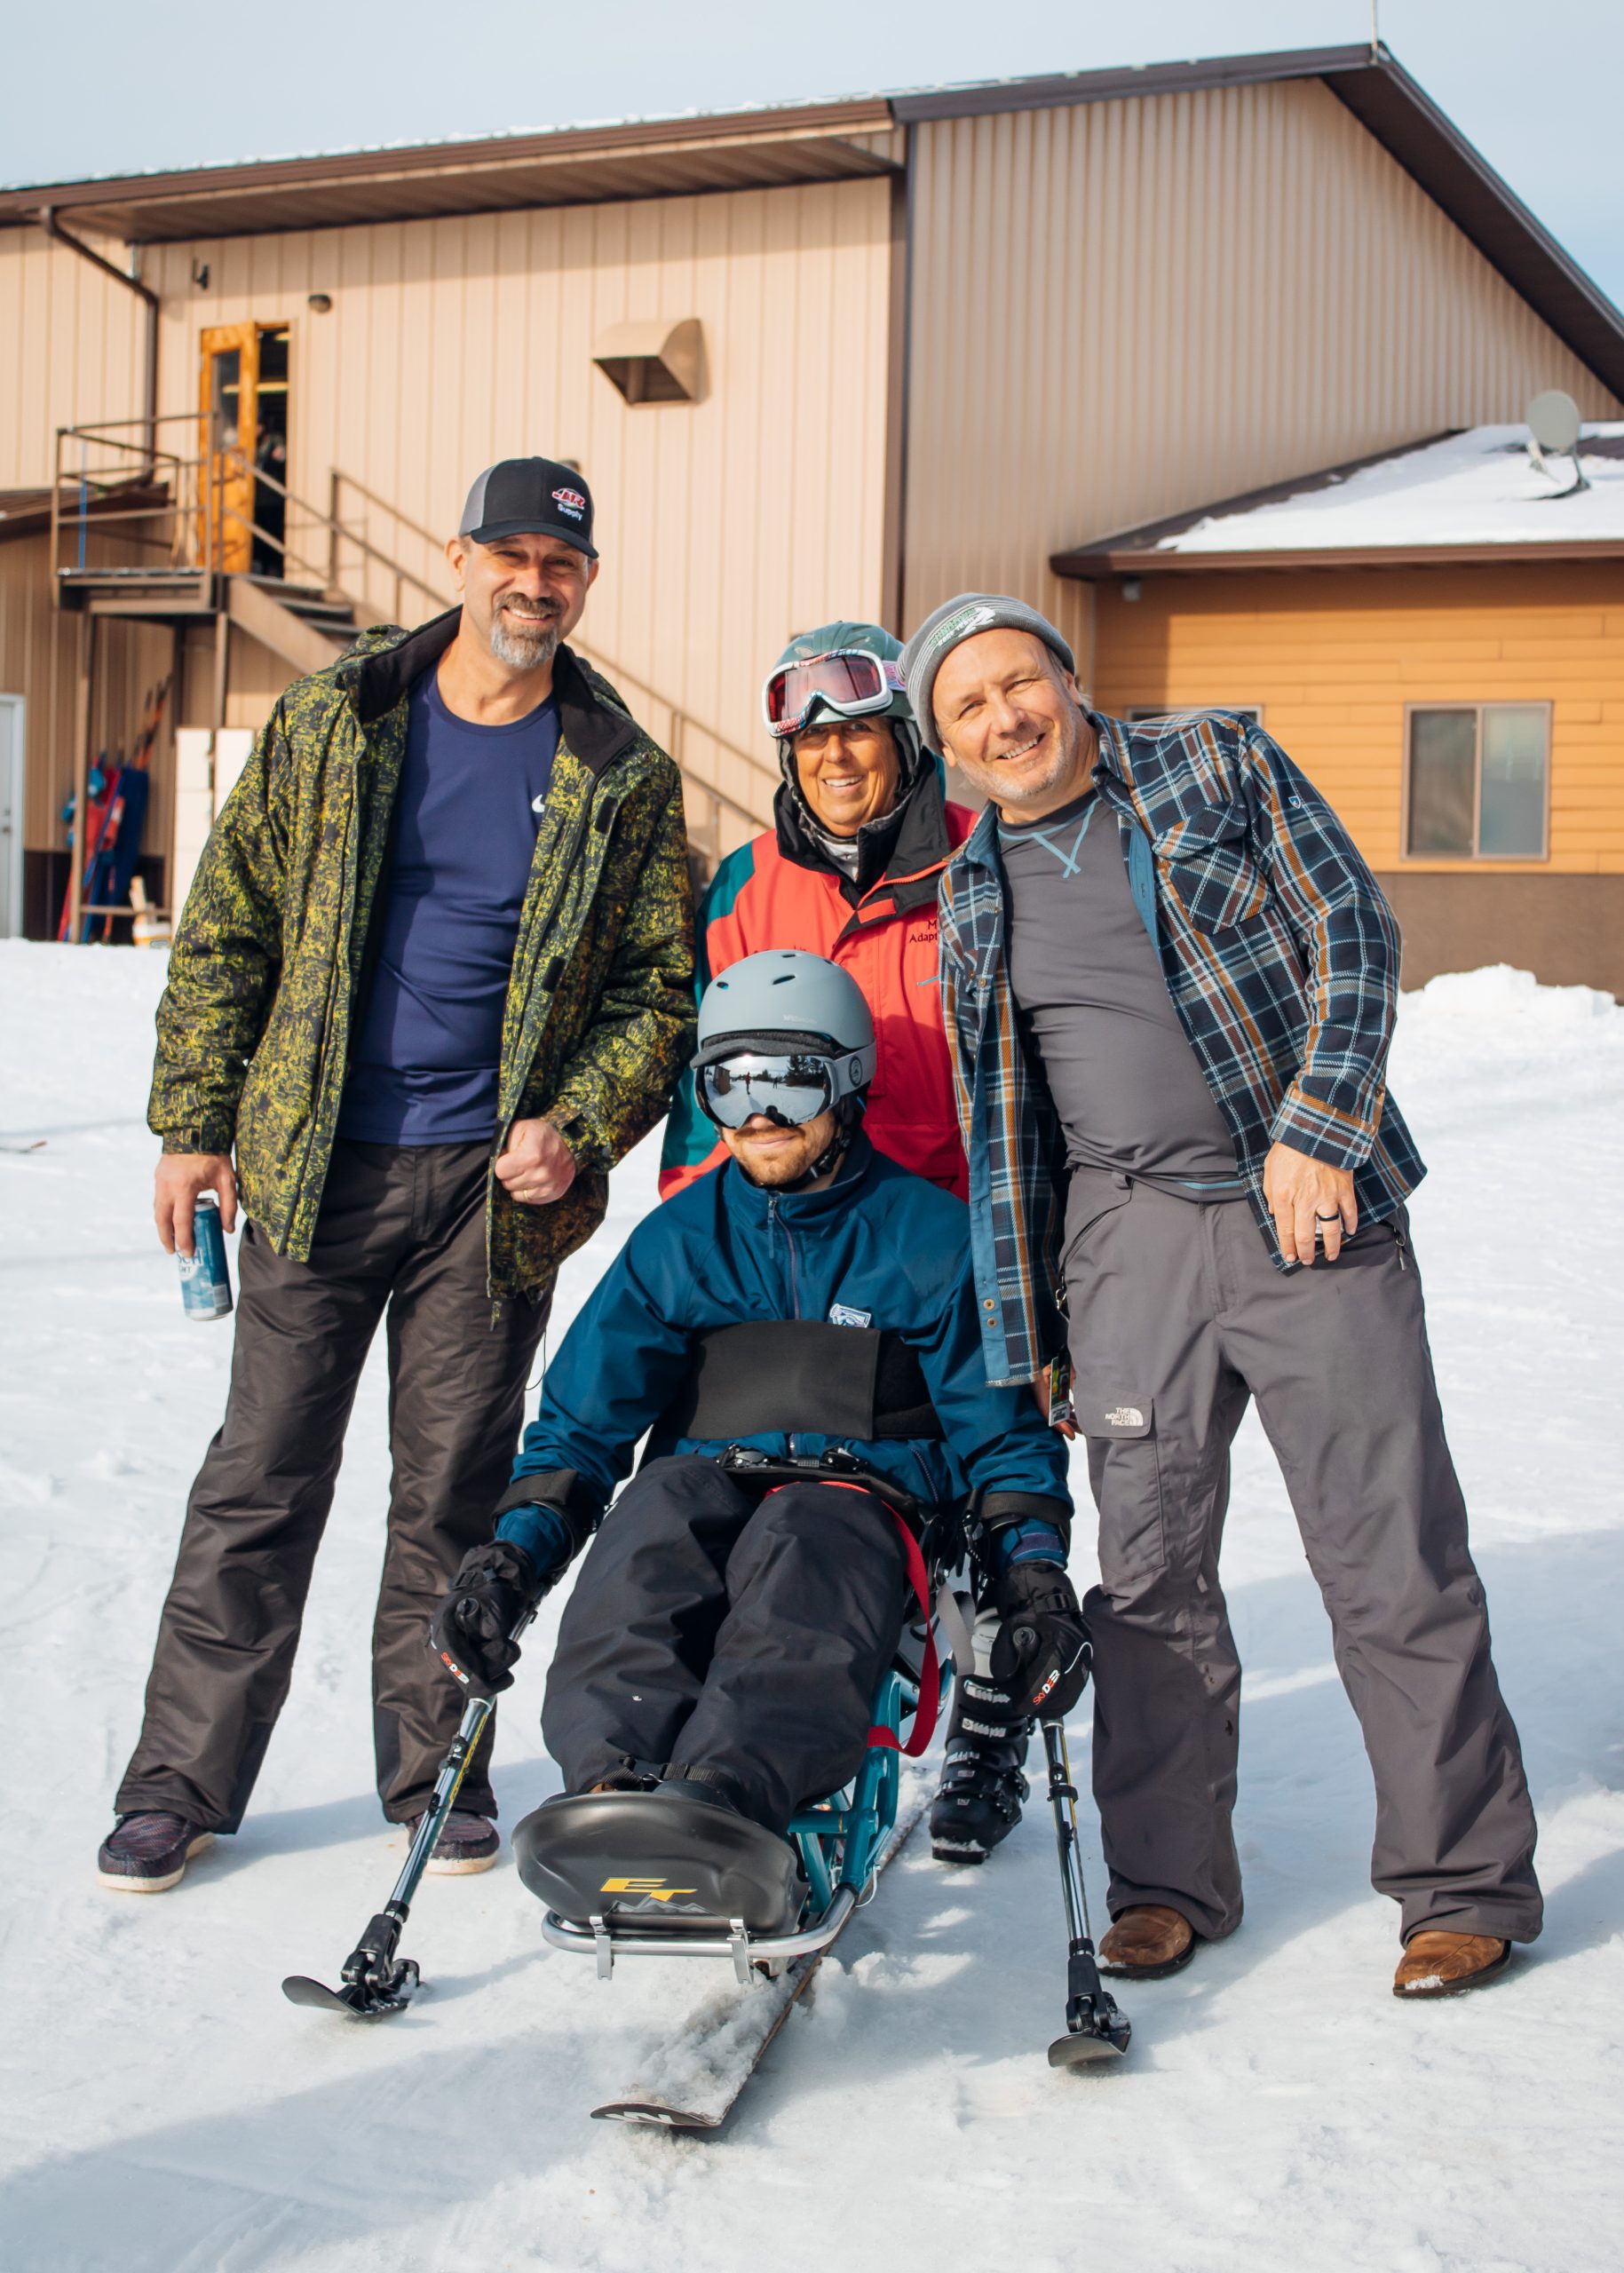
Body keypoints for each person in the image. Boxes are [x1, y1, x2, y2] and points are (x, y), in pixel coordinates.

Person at [901, 591, 1542, 1999]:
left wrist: (1322, 1124)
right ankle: (1169, 1882)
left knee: (1390, 1560)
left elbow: (1355, 936)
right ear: (943, 746)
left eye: (1020, 682)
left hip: (1303, 1215)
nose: (1005, 717)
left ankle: (1462, 1885)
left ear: (1069, 682)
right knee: (1147, 1582)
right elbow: (1007, 1139)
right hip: (1126, 1247)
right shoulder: (965, 901)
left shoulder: (1217, 763)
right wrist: (1043, 1332)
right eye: (967, 706)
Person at [98, 458, 694, 1894]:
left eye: (558, 565)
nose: (530, 585)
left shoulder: (616, 768)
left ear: (585, 582)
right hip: (315, 1172)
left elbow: (657, 989)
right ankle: (177, 1783)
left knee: (453, 1500)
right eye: (507, 555)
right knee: (258, 1482)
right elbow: (231, 918)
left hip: (493, 1205)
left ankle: (437, 1773)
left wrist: (577, 1119)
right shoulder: (339, 715)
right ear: (456, 558)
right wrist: (193, 1119)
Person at [432, 951, 1086, 1847]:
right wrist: (508, 1562)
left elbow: (1004, 1441)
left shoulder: (927, 1240)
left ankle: (726, 1794)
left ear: (848, 1082)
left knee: (802, 1535)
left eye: (790, 1083)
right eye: (731, 1089)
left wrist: (1034, 1575)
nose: (762, 1116)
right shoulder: (677, 1244)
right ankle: (611, 1781)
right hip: (706, 1482)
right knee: (652, 1520)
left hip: (863, 1501)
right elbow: (580, 1430)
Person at [659, 623, 972, 1203]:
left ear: (905, 739)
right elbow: (707, 1100)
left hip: (960, 1230)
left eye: (857, 729)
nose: (833, 755)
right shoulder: (742, 887)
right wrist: (700, 1234)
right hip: (798, 1230)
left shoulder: (986, 861)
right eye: (811, 736)